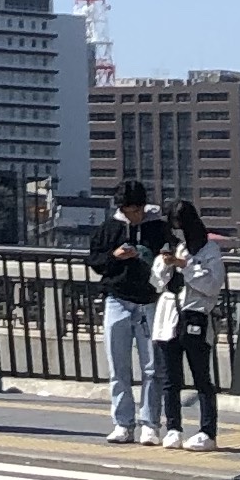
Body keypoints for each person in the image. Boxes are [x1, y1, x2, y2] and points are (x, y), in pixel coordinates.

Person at [89, 180, 167, 444]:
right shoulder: (108, 229)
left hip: (150, 300)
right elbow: (95, 262)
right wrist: (115, 256)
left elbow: (170, 256)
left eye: (138, 209)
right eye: (129, 210)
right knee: (118, 366)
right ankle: (122, 423)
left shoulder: (158, 227)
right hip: (116, 298)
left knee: (152, 367)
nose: (135, 215)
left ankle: (150, 424)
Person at [149, 200, 225, 448]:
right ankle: (173, 427)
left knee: (202, 378)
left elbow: (212, 286)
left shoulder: (209, 250)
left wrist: (187, 266)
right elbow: (157, 283)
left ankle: (208, 431)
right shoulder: (174, 246)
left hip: (195, 316)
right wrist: (165, 263)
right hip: (169, 316)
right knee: (171, 378)